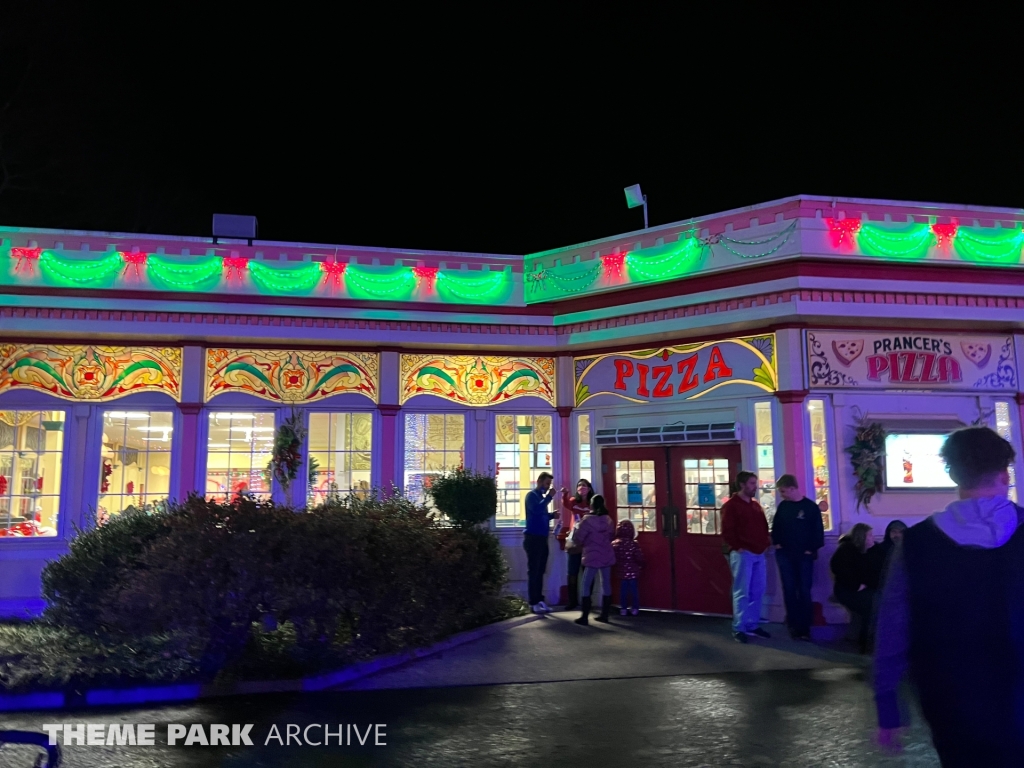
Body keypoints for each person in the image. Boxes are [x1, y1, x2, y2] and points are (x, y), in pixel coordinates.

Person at [874, 426, 1024, 764]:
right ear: (1005, 474)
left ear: (953, 474)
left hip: (948, 692)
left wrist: (888, 705)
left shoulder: (916, 543)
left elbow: (893, 626)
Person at [771, 474, 825, 641]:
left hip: (804, 556)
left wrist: (810, 549)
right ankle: (793, 625)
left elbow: (818, 531)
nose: (782, 495)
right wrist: (777, 543)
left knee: (804, 590)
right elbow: (776, 527)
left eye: (784, 491)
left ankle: (805, 627)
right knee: (789, 590)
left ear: (793, 488)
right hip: (785, 555)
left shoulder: (810, 508)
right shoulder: (783, 507)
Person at [721, 470, 772, 643]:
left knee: (757, 590)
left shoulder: (755, 505)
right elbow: (727, 530)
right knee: (742, 591)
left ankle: (752, 623)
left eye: (755, 483)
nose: (755, 487)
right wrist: (737, 546)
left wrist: (765, 543)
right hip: (743, 553)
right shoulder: (732, 506)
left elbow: (763, 527)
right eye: (751, 483)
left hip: (758, 552)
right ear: (742, 485)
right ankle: (739, 626)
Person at [830, 522, 874, 653]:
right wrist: (856, 585)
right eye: (870, 535)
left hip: (861, 588)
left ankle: (865, 640)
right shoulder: (847, 550)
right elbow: (840, 569)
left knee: (872, 601)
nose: (873, 538)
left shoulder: (869, 550)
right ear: (862, 537)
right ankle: (865, 642)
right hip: (847, 590)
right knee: (869, 605)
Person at [572, 494, 616, 625]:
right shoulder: (608, 519)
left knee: (586, 584)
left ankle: (585, 616)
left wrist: (575, 528)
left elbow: (578, 539)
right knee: (606, 584)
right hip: (606, 554)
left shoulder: (586, 520)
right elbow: (611, 536)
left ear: (591, 505)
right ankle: (605, 614)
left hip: (591, 555)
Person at [523, 472, 557, 614]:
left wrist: (551, 516)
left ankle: (539, 598)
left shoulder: (541, 498)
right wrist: (550, 497)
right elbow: (536, 510)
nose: (548, 487)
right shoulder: (531, 496)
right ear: (539, 481)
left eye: (549, 484)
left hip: (542, 539)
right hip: (533, 539)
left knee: (541, 570)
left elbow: (540, 515)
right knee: (534, 571)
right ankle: (533, 602)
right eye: (546, 484)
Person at [559, 479, 594, 610]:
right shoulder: (574, 501)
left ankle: (587, 600)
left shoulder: (592, 503)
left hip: (589, 542)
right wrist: (565, 494)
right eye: (579, 485)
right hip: (574, 541)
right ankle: (572, 601)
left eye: (584, 485)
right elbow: (566, 504)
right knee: (572, 572)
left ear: (589, 488)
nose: (581, 487)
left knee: (588, 572)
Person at [612, 518, 645, 615]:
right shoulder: (633, 544)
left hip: (621, 571)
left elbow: (614, 558)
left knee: (623, 591)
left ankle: (623, 609)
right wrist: (642, 564)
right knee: (634, 591)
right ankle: (635, 608)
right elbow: (638, 557)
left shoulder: (615, 544)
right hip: (633, 571)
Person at [864, 520, 907, 592]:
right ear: (888, 533)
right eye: (894, 532)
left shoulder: (909, 549)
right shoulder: (880, 550)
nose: (897, 535)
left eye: (900, 532)